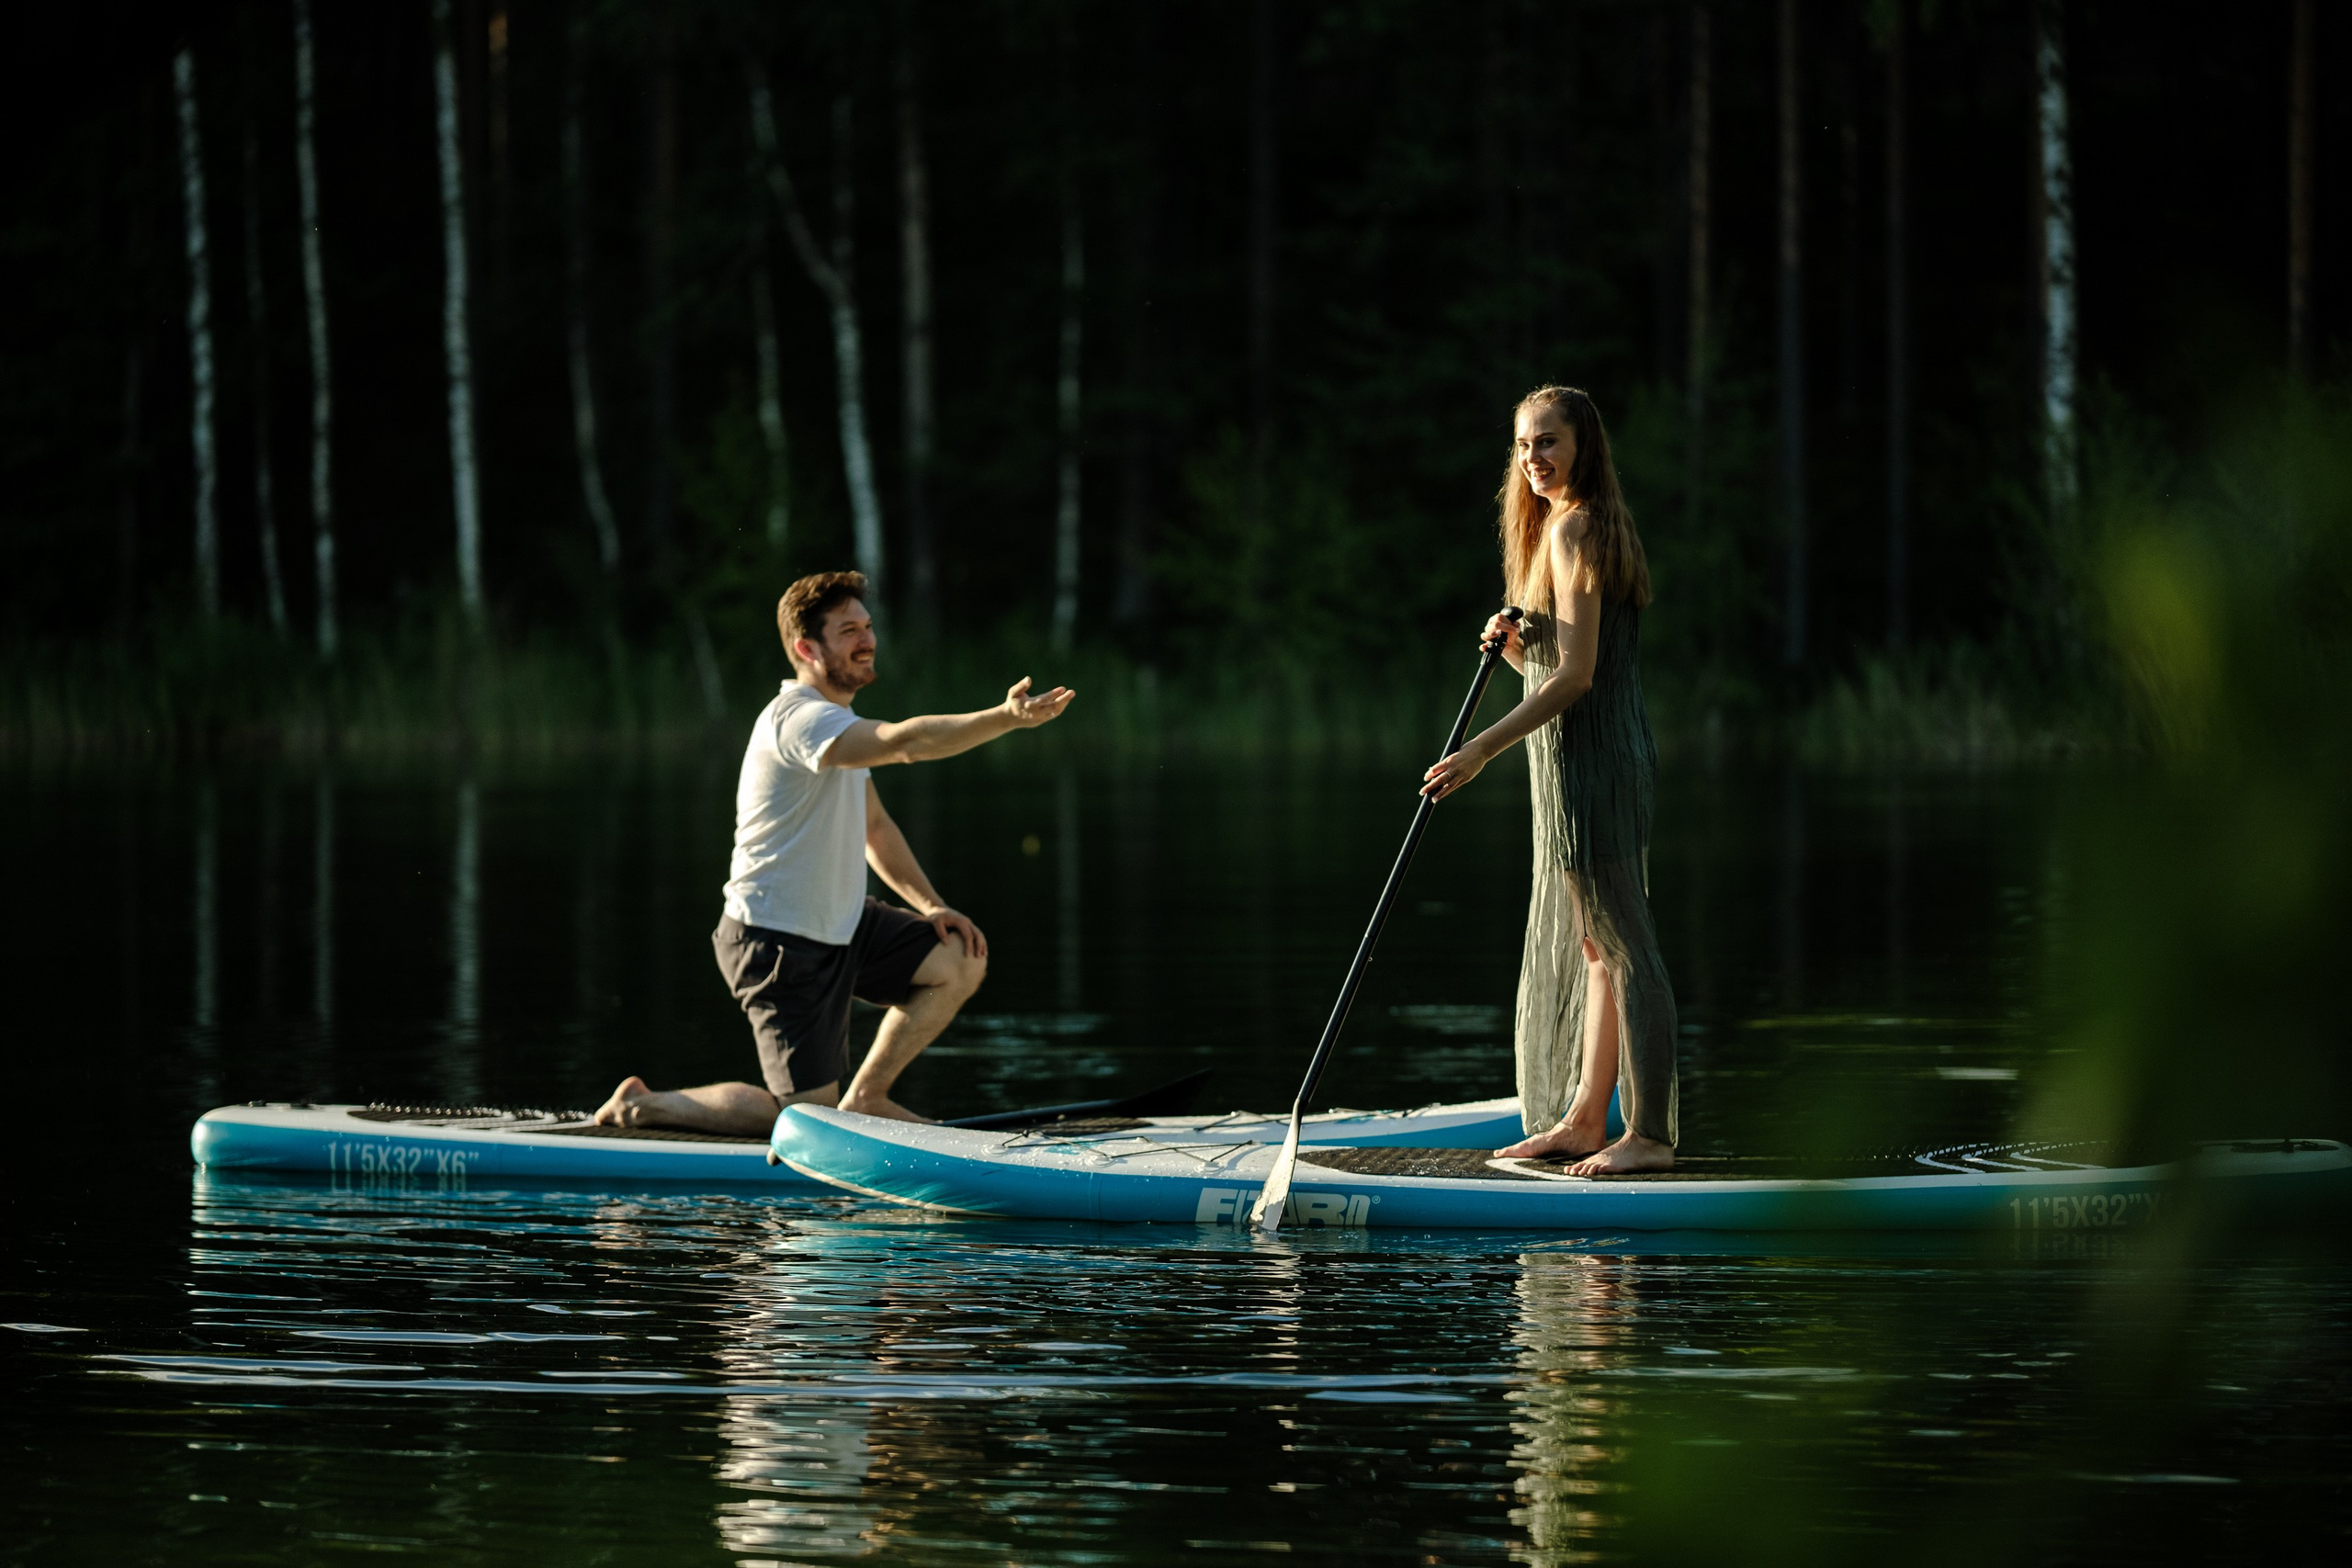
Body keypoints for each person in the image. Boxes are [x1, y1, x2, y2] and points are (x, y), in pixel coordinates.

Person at [595, 570, 1074, 1134]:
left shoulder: (836, 725)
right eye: (848, 631)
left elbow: (874, 825)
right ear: (807, 648)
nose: (866, 639)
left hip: (843, 924)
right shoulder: (798, 720)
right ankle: (641, 1106)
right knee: (806, 1120)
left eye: (867, 627)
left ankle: (868, 1097)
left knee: (959, 959)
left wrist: (931, 906)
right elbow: (906, 745)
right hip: (777, 942)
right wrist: (1003, 718)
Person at [1419, 386, 1678, 1175]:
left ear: (1582, 447)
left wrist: (1479, 752)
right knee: (1601, 949)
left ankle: (1651, 1137)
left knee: (1627, 949)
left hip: (1591, 765)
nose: (1534, 458)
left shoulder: (1572, 527)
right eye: (1525, 444)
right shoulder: (1590, 525)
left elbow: (1576, 679)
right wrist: (1512, 652)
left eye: (1549, 442)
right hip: (1601, 758)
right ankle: (1584, 1119)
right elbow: (1566, 667)